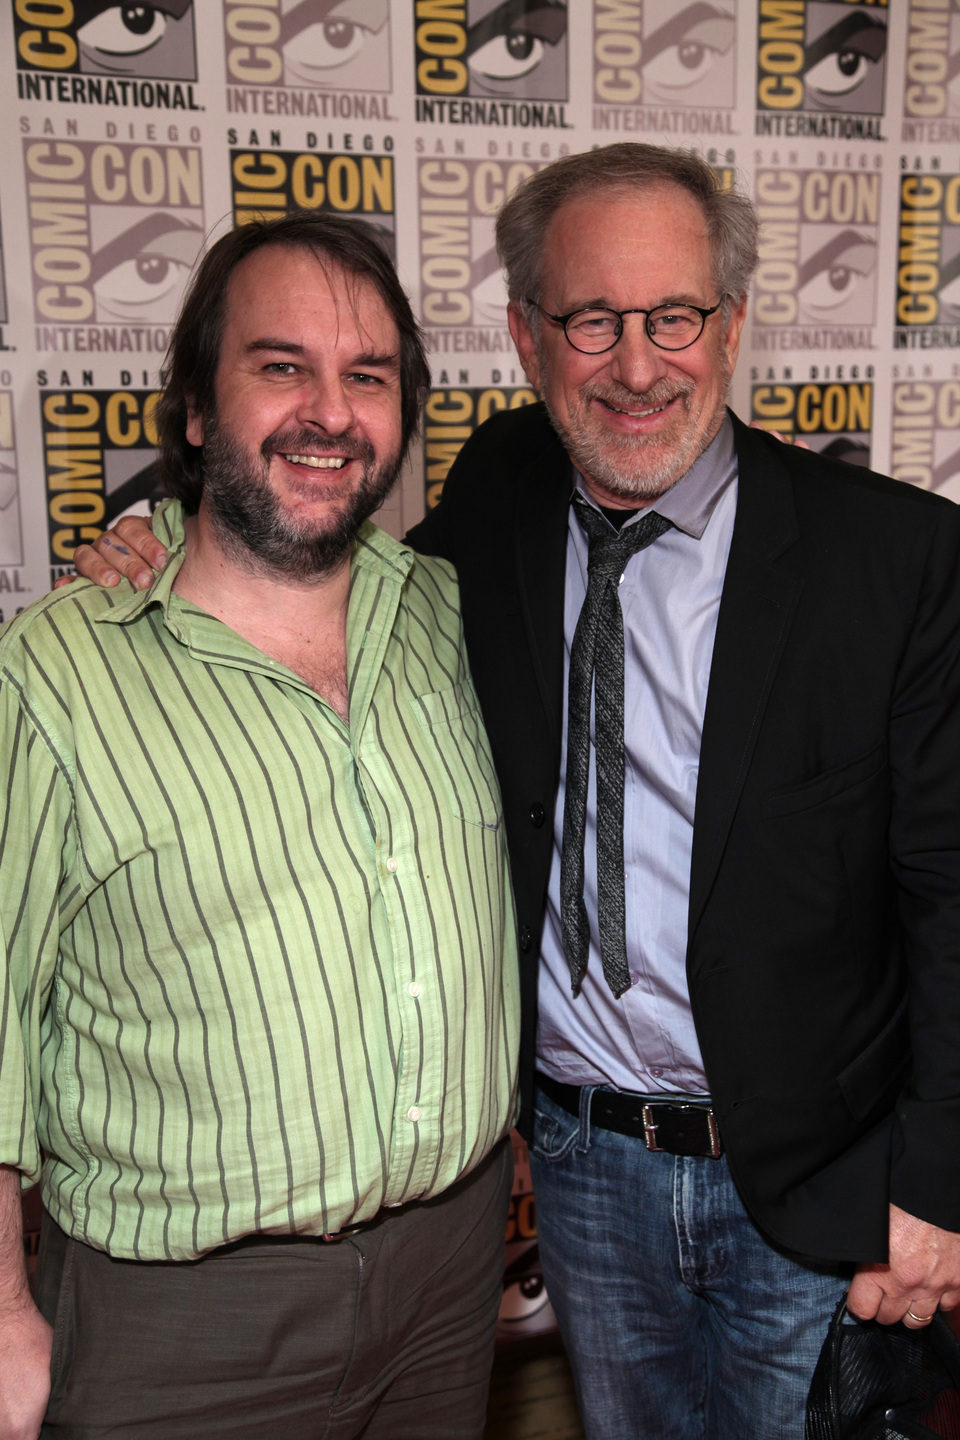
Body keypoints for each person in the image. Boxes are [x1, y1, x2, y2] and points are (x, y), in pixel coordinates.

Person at [72, 144, 960, 1439]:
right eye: (593, 319)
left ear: (732, 328)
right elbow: (317, 568)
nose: (637, 363)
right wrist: (169, 535)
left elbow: (949, 902)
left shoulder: (896, 558)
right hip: (583, 1177)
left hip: (810, 1193)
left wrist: (934, 1190)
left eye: (674, 317)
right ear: (529, 339)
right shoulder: (499, 489)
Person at [0, 213, 519, 1440]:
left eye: (369, 377)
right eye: (281, 367)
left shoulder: (457, 616)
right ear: (194, 408)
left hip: (452, 1281)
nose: (329, 414)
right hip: (183, 1322)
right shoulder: (57, 672)